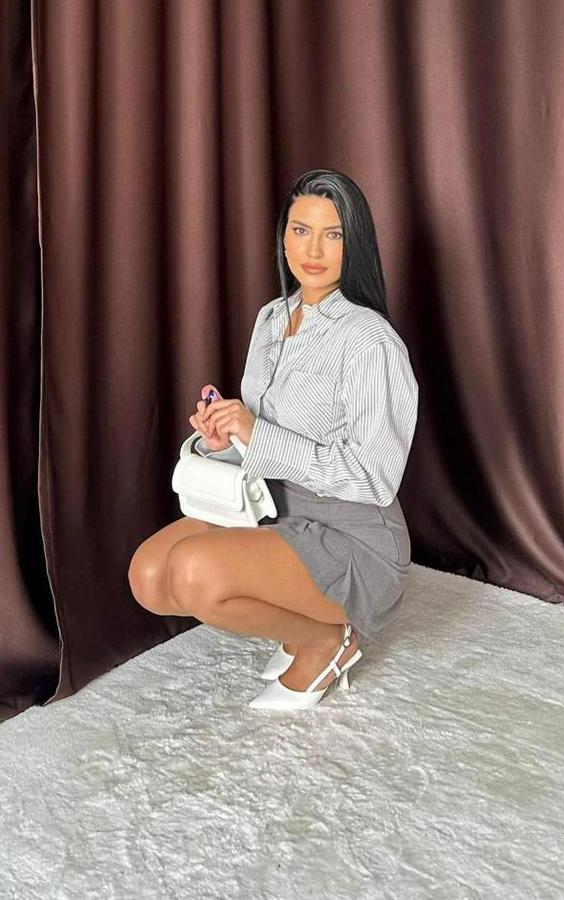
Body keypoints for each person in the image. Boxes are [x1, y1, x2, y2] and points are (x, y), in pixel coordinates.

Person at [128, 168, 419, 710]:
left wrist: (259, 434)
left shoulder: (370, 342)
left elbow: (376, 479)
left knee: (193, 572)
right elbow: (259, 442)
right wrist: (224, 438)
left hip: (353, 537)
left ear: (354, 244)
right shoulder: (271, 318)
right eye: (300, 230)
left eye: (333, 234)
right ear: (283, 236)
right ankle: (300, 626)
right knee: (149, 576)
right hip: (270, 508)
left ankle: (327, 640)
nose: (314, 250)